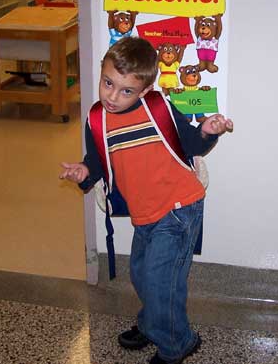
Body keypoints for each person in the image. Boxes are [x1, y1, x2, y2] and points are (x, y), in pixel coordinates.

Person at [60, 37, 233, 364]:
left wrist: (208, 131)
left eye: (126, 91)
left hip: (180, 209)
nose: (112, 96)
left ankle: (177, 344)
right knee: (141, 274)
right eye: (108, 83)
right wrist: (84, 172)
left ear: (144, 90)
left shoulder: (159, 108)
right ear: (101, 73)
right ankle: (155, 324)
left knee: (161, 280)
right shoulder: (97, 119)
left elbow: (193, 144)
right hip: (146, 214)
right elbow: (97, 161)